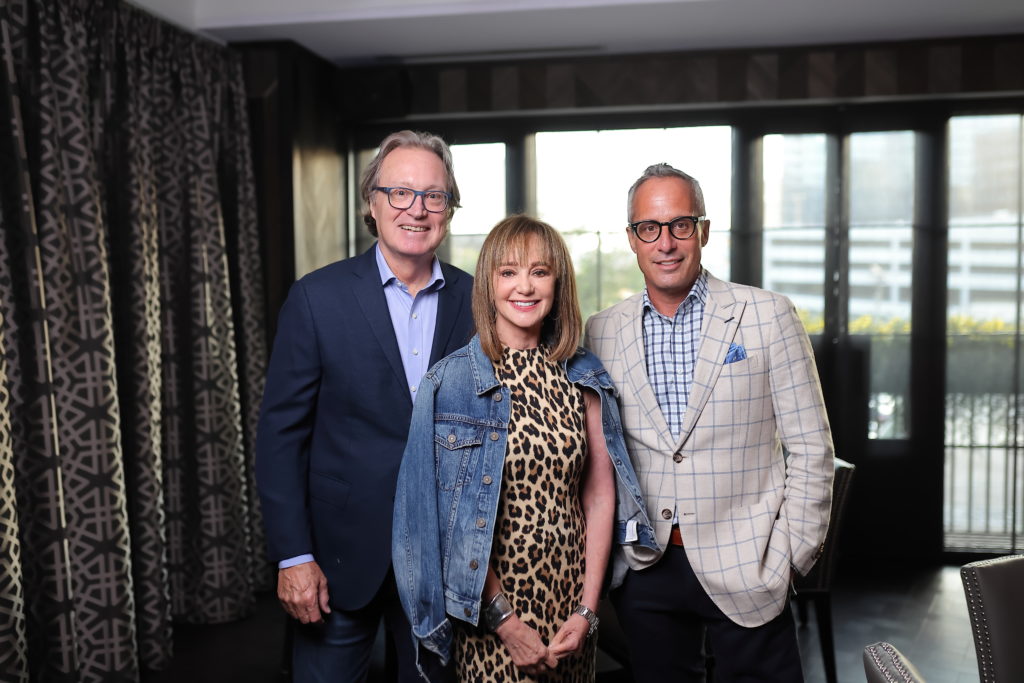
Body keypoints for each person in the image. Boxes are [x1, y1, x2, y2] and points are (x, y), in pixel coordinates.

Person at [584, 163, 835, 682]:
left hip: (749, 561)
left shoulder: (768, 315)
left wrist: (787, 558)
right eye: (648, 228)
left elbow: (812, 450)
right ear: (632, 239)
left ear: (703, 230)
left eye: (680, 224)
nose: (666, 243)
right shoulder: (602, 331)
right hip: (646, 567)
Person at [392, 215, 657, 682]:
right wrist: (506, 623)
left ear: (558, 283)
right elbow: (437, 521)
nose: (525, 287)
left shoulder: (584, 375)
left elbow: (598, 499)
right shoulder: (447, 385)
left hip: (570, 607)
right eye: (508, 272)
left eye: (539, 271)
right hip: (489, 612)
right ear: (489, 283)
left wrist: (587, 613)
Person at [255, 130, 475, 682]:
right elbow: (280, 438)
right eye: (400, 192)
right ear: (371, 205)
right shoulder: (317, 297)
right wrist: (292, 556)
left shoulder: (480, 302)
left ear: (449, 209)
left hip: (444, 561)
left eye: (434, 195)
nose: (417, 209)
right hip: (335, 559)